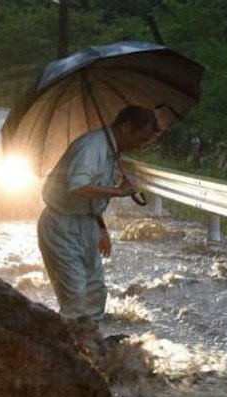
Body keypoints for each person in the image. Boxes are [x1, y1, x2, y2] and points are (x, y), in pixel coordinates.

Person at [37, 105, 160, 324]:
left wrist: (101, 228)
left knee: (95, 292)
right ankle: (70, 351)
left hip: (86, 223)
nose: (139, 146)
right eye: (139, 139)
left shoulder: (110, 150)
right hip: (62, 224)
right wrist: (119, 191)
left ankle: (93, 348)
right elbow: (78, 186)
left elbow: (91, 196)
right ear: (126, 127)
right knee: (75, 297)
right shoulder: (92, 146)